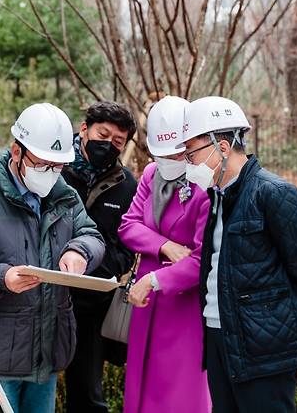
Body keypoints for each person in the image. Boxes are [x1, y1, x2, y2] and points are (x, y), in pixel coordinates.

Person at [0, 103, 105, 413]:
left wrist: (79, 251)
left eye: (57, 166)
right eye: (43, 164)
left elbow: (92, 236)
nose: (51, 174)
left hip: (47, 348)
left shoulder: (64, 196)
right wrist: (2, 278)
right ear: (17, 152)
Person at [182, 96, 297, 412]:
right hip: (220, 335)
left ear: (221, 148)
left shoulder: (273, 193)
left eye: (191, 153)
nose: (187, 162)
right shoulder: (218, 198)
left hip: (266, 348)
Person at [118, 96, 211, 413]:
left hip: (183, 306)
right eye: (163, 154)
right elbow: (128, 225)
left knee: (179, 394)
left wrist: (160, 277)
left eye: (178, 153)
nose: (170, 160)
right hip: (145, 301)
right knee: (140, 391)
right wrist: (165, 245)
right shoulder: (151, 175)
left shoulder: (205, 185)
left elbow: (203, 259)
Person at [61, 101, 138, 413]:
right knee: (31, 381)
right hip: (42, 293)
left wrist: (97, 272)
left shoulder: (127, 186)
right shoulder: (54, 171)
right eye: (102, 135)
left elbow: (127, 245)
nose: (108, 145)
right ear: (84, 130)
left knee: (87, 391)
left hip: (92, 302)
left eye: (117, 142)